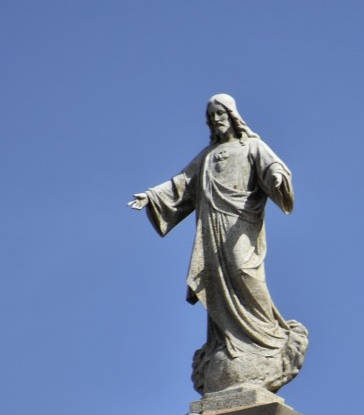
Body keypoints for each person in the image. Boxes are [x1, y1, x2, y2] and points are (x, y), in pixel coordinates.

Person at [129, 94, 308, 396]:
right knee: (216, 282)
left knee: (243, 271)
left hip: (240, 224)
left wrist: (277, 177)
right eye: (211, 116)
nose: (216, 120)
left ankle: (268, 337)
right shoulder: (208, 156)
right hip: (211, 229)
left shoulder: (251, 146)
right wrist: (152, 196)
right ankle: (228, 342)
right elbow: (182, 183)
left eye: (220, 113)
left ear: (233, 115)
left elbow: (273, 166)